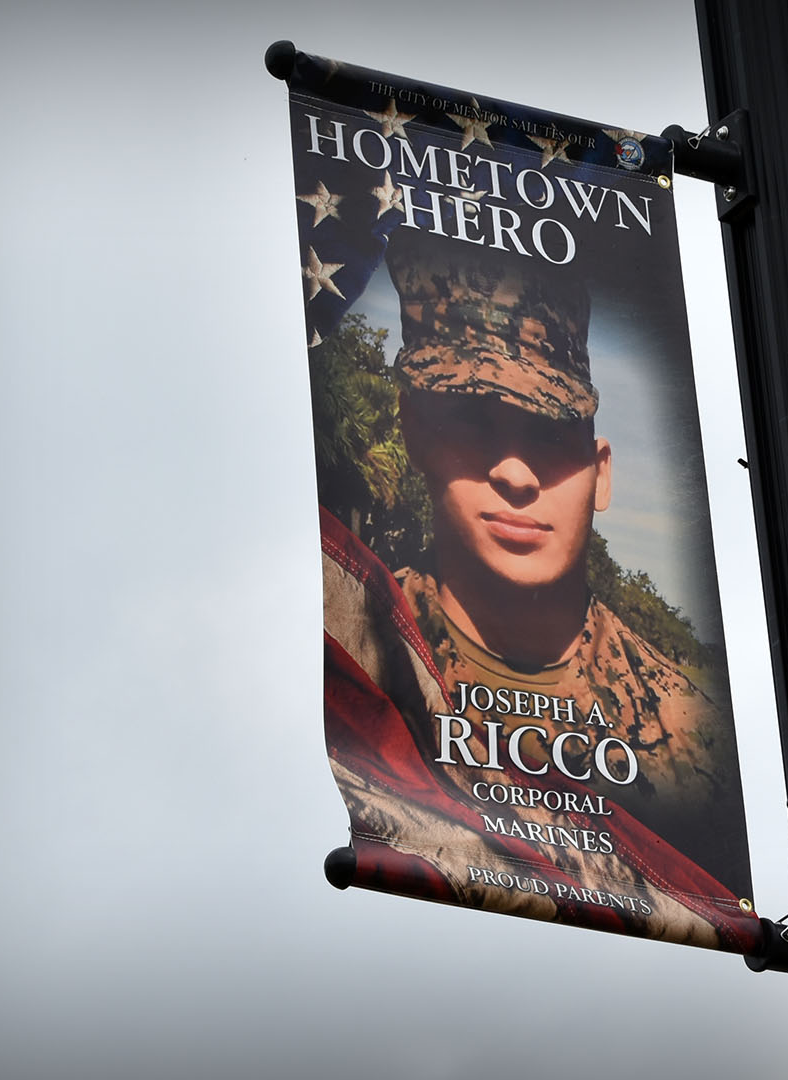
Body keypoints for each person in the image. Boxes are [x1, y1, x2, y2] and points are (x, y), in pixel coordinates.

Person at [316, 230, 752, 950]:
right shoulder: (357, 656)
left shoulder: (695, 732)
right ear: (414, 433)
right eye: (470, 419)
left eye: (549, 431)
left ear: (600, 472)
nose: (515, 475)